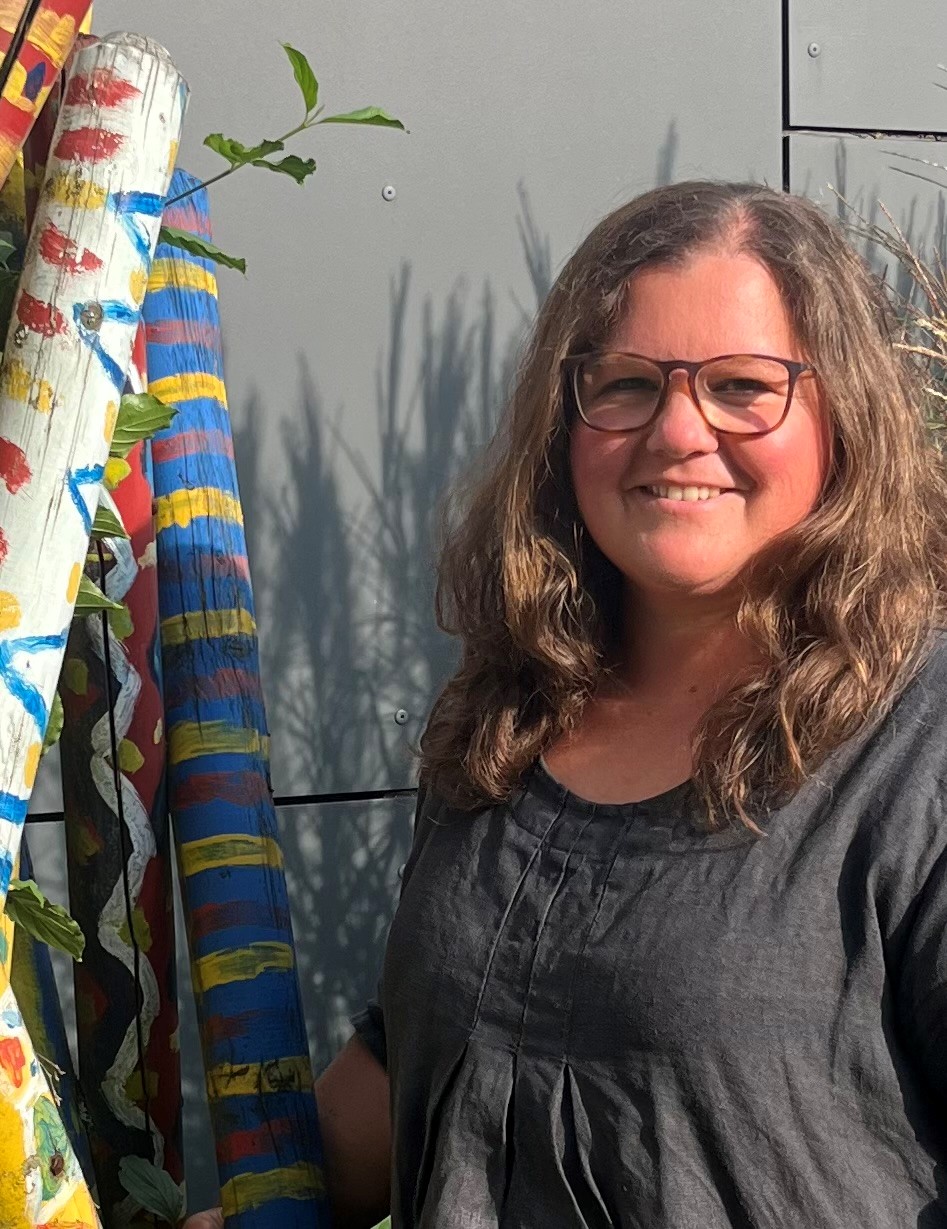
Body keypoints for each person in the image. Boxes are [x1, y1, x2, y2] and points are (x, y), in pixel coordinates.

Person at [185, 180, 947, 1228]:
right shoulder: (507, 711)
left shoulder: (918, 750)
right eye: (626, 383)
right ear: (563, 420)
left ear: (842, 416)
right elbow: (421, 1056)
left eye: (741, 385)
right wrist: (258, 1208)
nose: (677, 430)